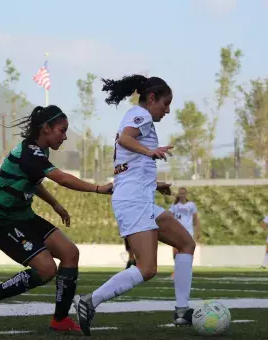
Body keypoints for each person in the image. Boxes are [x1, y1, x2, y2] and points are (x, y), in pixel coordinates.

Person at [74, 74, 196, 336]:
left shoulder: (141, 118)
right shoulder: (140, 115)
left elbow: (130, 167)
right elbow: (125, 140)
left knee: (186, 243)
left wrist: (157, 183)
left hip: (141, 199)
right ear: (151, 98)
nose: (168, 109)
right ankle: (89, 301)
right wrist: (151, 151)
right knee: (147, 268)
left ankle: (182, 310)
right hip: (133, 201)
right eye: (166, 103)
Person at [0, 105, 113, 332]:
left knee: (70, 253)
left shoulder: (40, 151)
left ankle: (59, 320)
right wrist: (98, 188)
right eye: (62, 130)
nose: (65, 136)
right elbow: (62, 179)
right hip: (3, 221)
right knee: (46, 270)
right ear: (46, 128)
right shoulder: (31, 152)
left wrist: (55, 204)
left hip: (23, 216)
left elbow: (34, 182)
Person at [169, 187, 200, 269]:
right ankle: (177, 268)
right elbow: (170, 218)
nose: (182, 195)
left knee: (187, 251)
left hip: (189, 231)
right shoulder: (174, 205)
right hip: (177, 231)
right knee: (175, 250)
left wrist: (198, 231)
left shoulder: (191, 205)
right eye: (180, 193)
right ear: (178, 194)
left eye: (183, 193)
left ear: (186, 194)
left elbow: (196, 218)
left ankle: (187, 268)